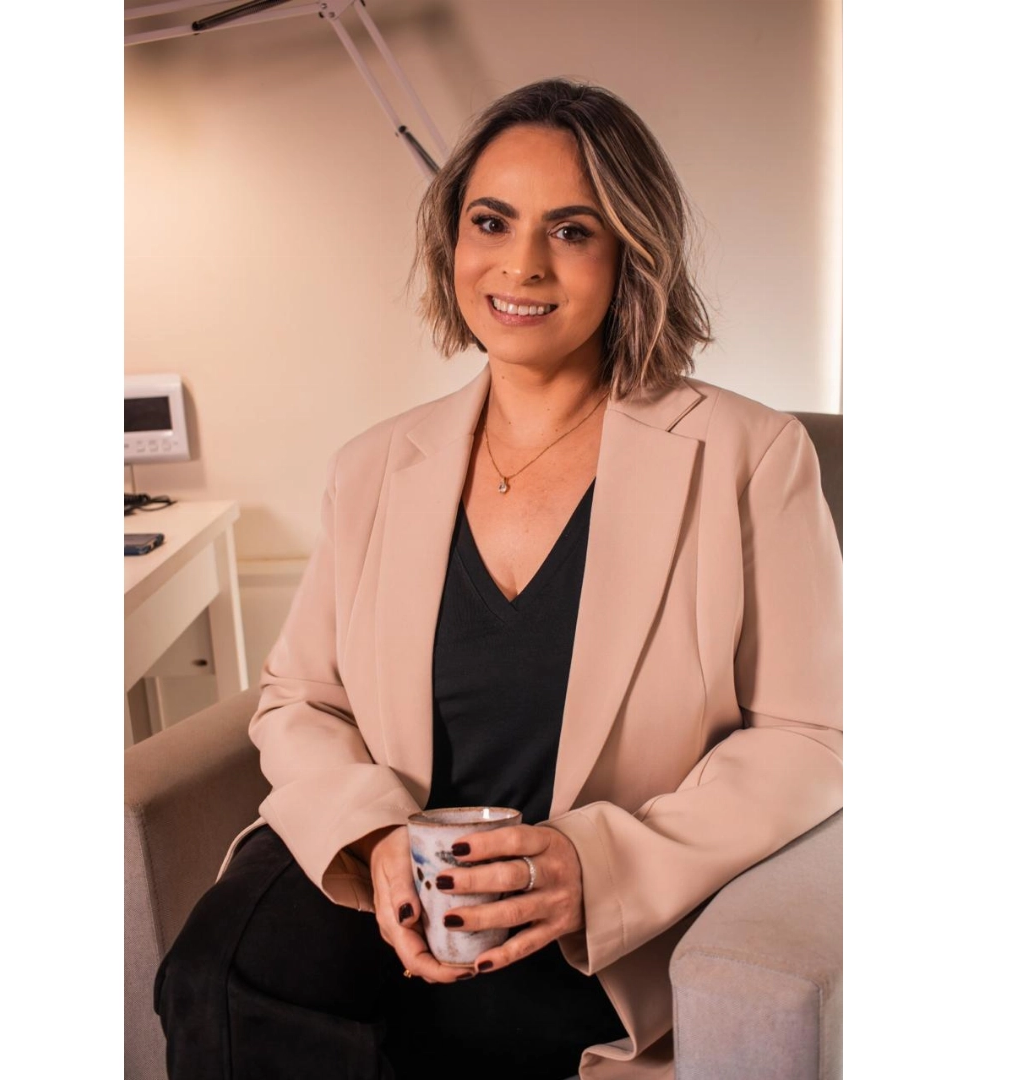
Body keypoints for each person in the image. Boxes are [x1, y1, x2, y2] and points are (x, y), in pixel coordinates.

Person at [154, 78, 842, 1080]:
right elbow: (300, 698)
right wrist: (372, 837)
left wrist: (594, 866)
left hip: (573, 910)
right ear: (452, 240)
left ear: (630, 252)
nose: (521, 264)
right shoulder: (373, 464)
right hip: (385, 867)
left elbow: (814, 733)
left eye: (571, 230)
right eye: (491, 221)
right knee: (217, 978)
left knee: (451, 1042)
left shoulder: (750, 454)